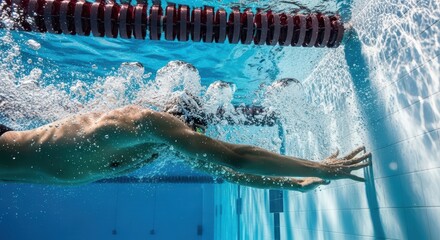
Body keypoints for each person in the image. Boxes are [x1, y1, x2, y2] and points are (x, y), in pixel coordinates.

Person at [0, 94, 371, 191]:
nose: (193, 143)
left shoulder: (166, 143)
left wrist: (295, 186)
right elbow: (238, 158)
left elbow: (228, 172)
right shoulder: (143, 122)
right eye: (193, 135)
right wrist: (320, 167)